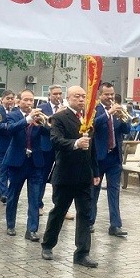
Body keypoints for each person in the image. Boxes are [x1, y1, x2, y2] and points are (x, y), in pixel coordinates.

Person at [40, 85, 100, 267]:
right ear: (68, 98)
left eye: (83, 96)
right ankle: (48, 245)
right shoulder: (59, 117)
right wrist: (75, 143)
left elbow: (93, 148)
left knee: (85, 213)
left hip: (84, 175)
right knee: (59, 210)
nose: (81, 99)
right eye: (77, 96)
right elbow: (55, 141)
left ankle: (82, 253)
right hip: (65, 174)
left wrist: (95, 172)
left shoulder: (90, 118)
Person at [0, 90, 49, 241]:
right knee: (13, 195)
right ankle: (11, 224)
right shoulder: (13, 115)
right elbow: (11, 130)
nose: (28, 103)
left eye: (31, 100)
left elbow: (48, 133)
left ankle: (32, 230)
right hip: (17, 161)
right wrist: (27, 119)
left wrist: (45, 122)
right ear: (18, 101)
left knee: (34, 197)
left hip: (35, 161)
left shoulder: (39, 116)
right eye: (25, 100)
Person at [90, 82, 130, 236]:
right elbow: (92, 125)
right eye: (106, 94)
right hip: (98, 158)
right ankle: (89, 222)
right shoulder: (95, 109)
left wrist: (124, 117)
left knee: (114, 191)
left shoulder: (118, 110)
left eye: (112, 94)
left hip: (114, 157)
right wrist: (108, 113)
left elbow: (126, 130)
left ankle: (115, 225)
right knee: (94, 191)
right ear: (100, 95)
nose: (110, 97)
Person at [0, 90, 16, 202]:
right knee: (2, 169)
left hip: (12, 145)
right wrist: (9, 126)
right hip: (0, 146)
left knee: (6, 170)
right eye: (8, 98)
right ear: (2, 100)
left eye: (12, 98)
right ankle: (5, 194)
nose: (10, 101)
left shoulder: (16, 111)